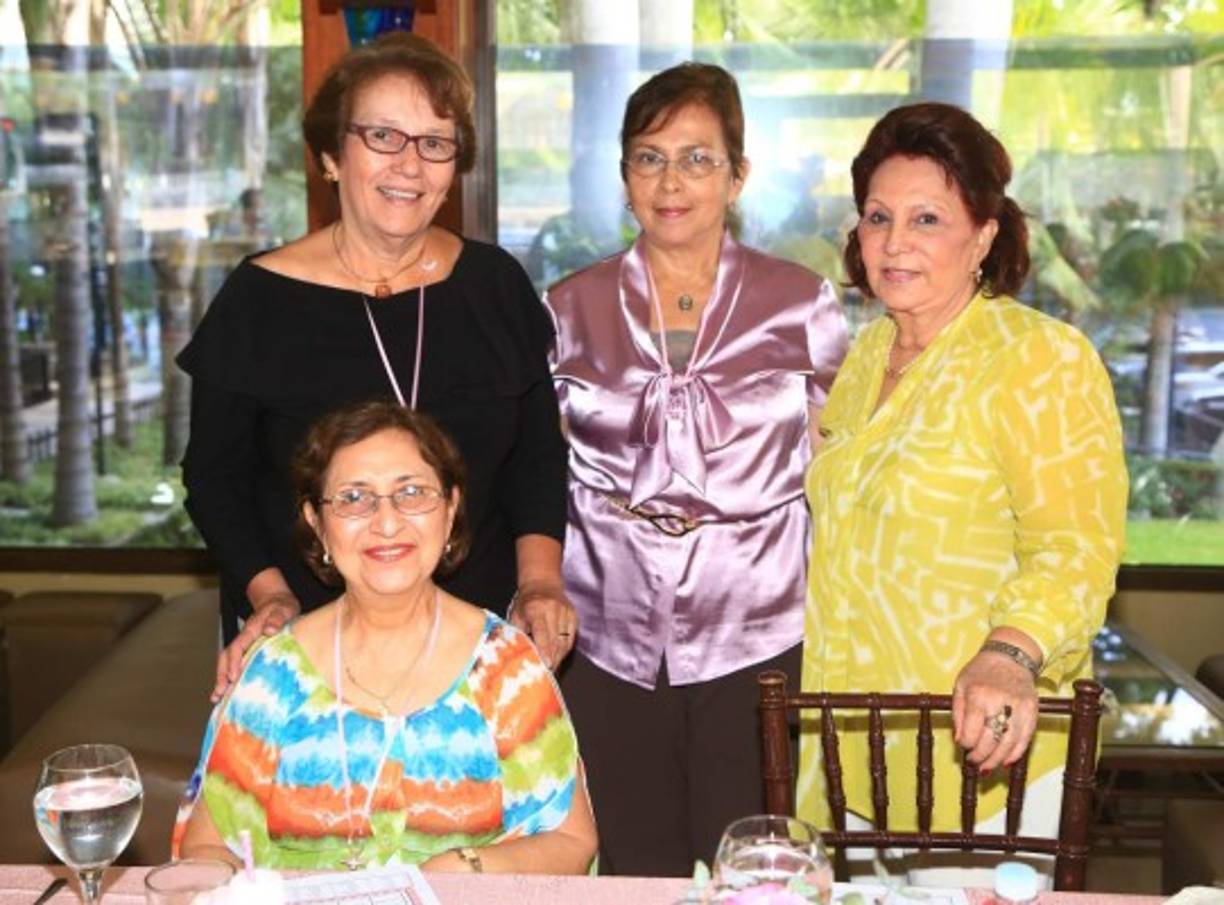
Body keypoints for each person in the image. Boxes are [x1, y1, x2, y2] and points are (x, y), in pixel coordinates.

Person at [177, 33, 574, 701]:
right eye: (383, 136)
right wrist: (269, 596)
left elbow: (538, 454)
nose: (409, 164)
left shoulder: (495, 284)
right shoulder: (259, 298)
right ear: (332, 155)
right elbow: (214, 478)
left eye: (434, 142)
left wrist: (541, 582)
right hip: (311, 639)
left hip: (478, 640)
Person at [797, 102, 1127, 882]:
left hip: (980, 761)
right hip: (853, 753)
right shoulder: (867, 351)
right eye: (878, 216)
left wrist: (1011, 653)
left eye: (927, 218)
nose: (895, 241)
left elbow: (1075, 547)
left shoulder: (1038, 357)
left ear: (983, 235)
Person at [545, 62, 848, 876]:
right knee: (633, 859)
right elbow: (541, 467)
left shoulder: (800, 302)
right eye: (649, 157)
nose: (670, 181)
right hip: (604, 632)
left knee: (748, 859)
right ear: (624, 176)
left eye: (697, 158)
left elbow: (839, 464)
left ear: (738, 174)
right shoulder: (568, 306)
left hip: (758, 626)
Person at [174, 400, 597, 872]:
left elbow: (570, 840)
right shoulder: (274, 674)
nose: (387, 521)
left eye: (412, 492)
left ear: (451, 508)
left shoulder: (505, 666)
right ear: (317, 522)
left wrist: (464, 867)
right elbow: (206, 850)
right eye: (354, 498)